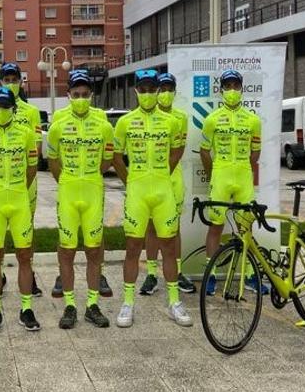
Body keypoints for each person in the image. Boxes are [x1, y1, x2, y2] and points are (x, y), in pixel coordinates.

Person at [112, 69, 192, 328]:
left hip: (163, 190)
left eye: (151, 89)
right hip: (137, 192)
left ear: (158, 91)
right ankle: (127, 302)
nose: (147, 94)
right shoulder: (125, 122)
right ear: (136, 91)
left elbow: (178, 149)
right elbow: (116, 156)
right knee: (133, 247)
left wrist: (162, 173)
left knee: (168, 246)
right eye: (142, 89)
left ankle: (174, 301)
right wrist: (130, 180)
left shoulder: (172, 122)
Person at [46, 71, 114, 329]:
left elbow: (107, 159)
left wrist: (93, 176)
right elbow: (53, 161)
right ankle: (70, 305)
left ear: (92, 96)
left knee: (95, 249)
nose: (81, 98)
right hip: (69, 192)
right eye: (77, 95)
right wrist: (66, 181)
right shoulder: (58, 126)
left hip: (94, 191)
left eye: (86, 95)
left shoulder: (105, 125)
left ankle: (92, 305)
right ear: (68, 96)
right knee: (66, 250)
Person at [0, 86, 40, 333]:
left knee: (24, 256)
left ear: (14, 107)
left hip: (20, 200)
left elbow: (32, 166)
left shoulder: (25, 134)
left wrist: (21, 188)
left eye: (6, 106)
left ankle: (26, 308)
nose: (1, 110)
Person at [200, 69, 266, 296]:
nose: (231, 90)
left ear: (242, 88)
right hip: (221, 175)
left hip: (243, 176)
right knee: (215, 226)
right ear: (221, 90)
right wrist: (214, 174)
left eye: (235, 85)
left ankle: (249, 275)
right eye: (227, 86)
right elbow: (204, 152)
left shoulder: (253, 120)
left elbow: (255, 153)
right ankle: (210, 275)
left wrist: (243, 168)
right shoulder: (211, 119)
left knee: (245, 228)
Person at [0, 62, 44, 296]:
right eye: (6, 79)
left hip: (25, 183)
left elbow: (36, 150)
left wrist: (23, 182)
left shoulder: (31, 112)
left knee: (26, 231)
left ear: (21, 81)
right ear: (0, 82)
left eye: (14, 79)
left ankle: (30, 275)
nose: (11, 83)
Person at [140, 73, 197, 296]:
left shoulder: (181, 118)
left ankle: (178, 271)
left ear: (174, 91)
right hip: (149, 178)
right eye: (161, 89)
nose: (164, 93)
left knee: (174, 228)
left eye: (168, 89)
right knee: (152, 227)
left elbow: (177, 151)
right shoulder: (146, 117)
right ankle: (152, 274)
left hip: (173, 178)